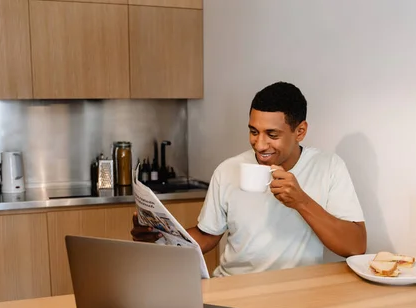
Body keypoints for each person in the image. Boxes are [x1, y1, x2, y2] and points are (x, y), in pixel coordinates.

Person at [132, 81, 367, 276]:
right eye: (254, 131)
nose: (259, 144)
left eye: (272, 134)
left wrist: (301, 201)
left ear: (300, 132)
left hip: (298, 291)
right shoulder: (228, 170)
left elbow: (355, 246)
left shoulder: (328, 167)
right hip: (234, 286)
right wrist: (159, 238)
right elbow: (207, 236)